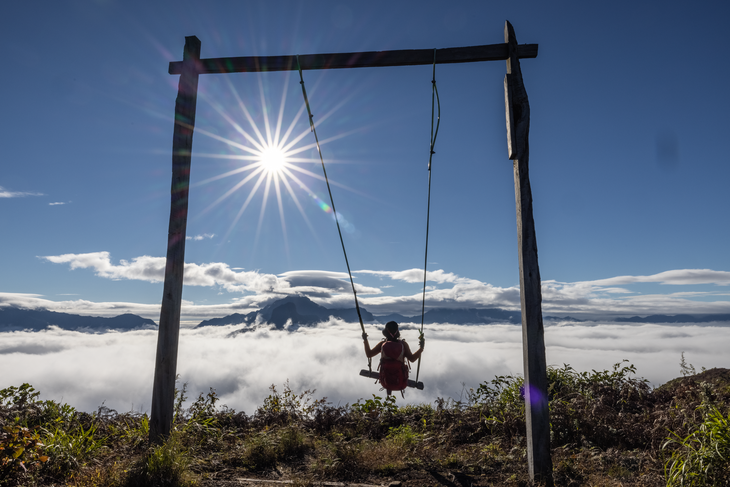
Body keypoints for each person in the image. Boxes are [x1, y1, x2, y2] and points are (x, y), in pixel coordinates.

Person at [362, 321, 425, 393]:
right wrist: (421, 348)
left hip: (384, 382)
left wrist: (365, 340)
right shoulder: (403, 345)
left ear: (385, 332)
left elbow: (369, 354)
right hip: (401, 382)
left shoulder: (382, 344)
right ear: (397, 331)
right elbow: (412, 359)